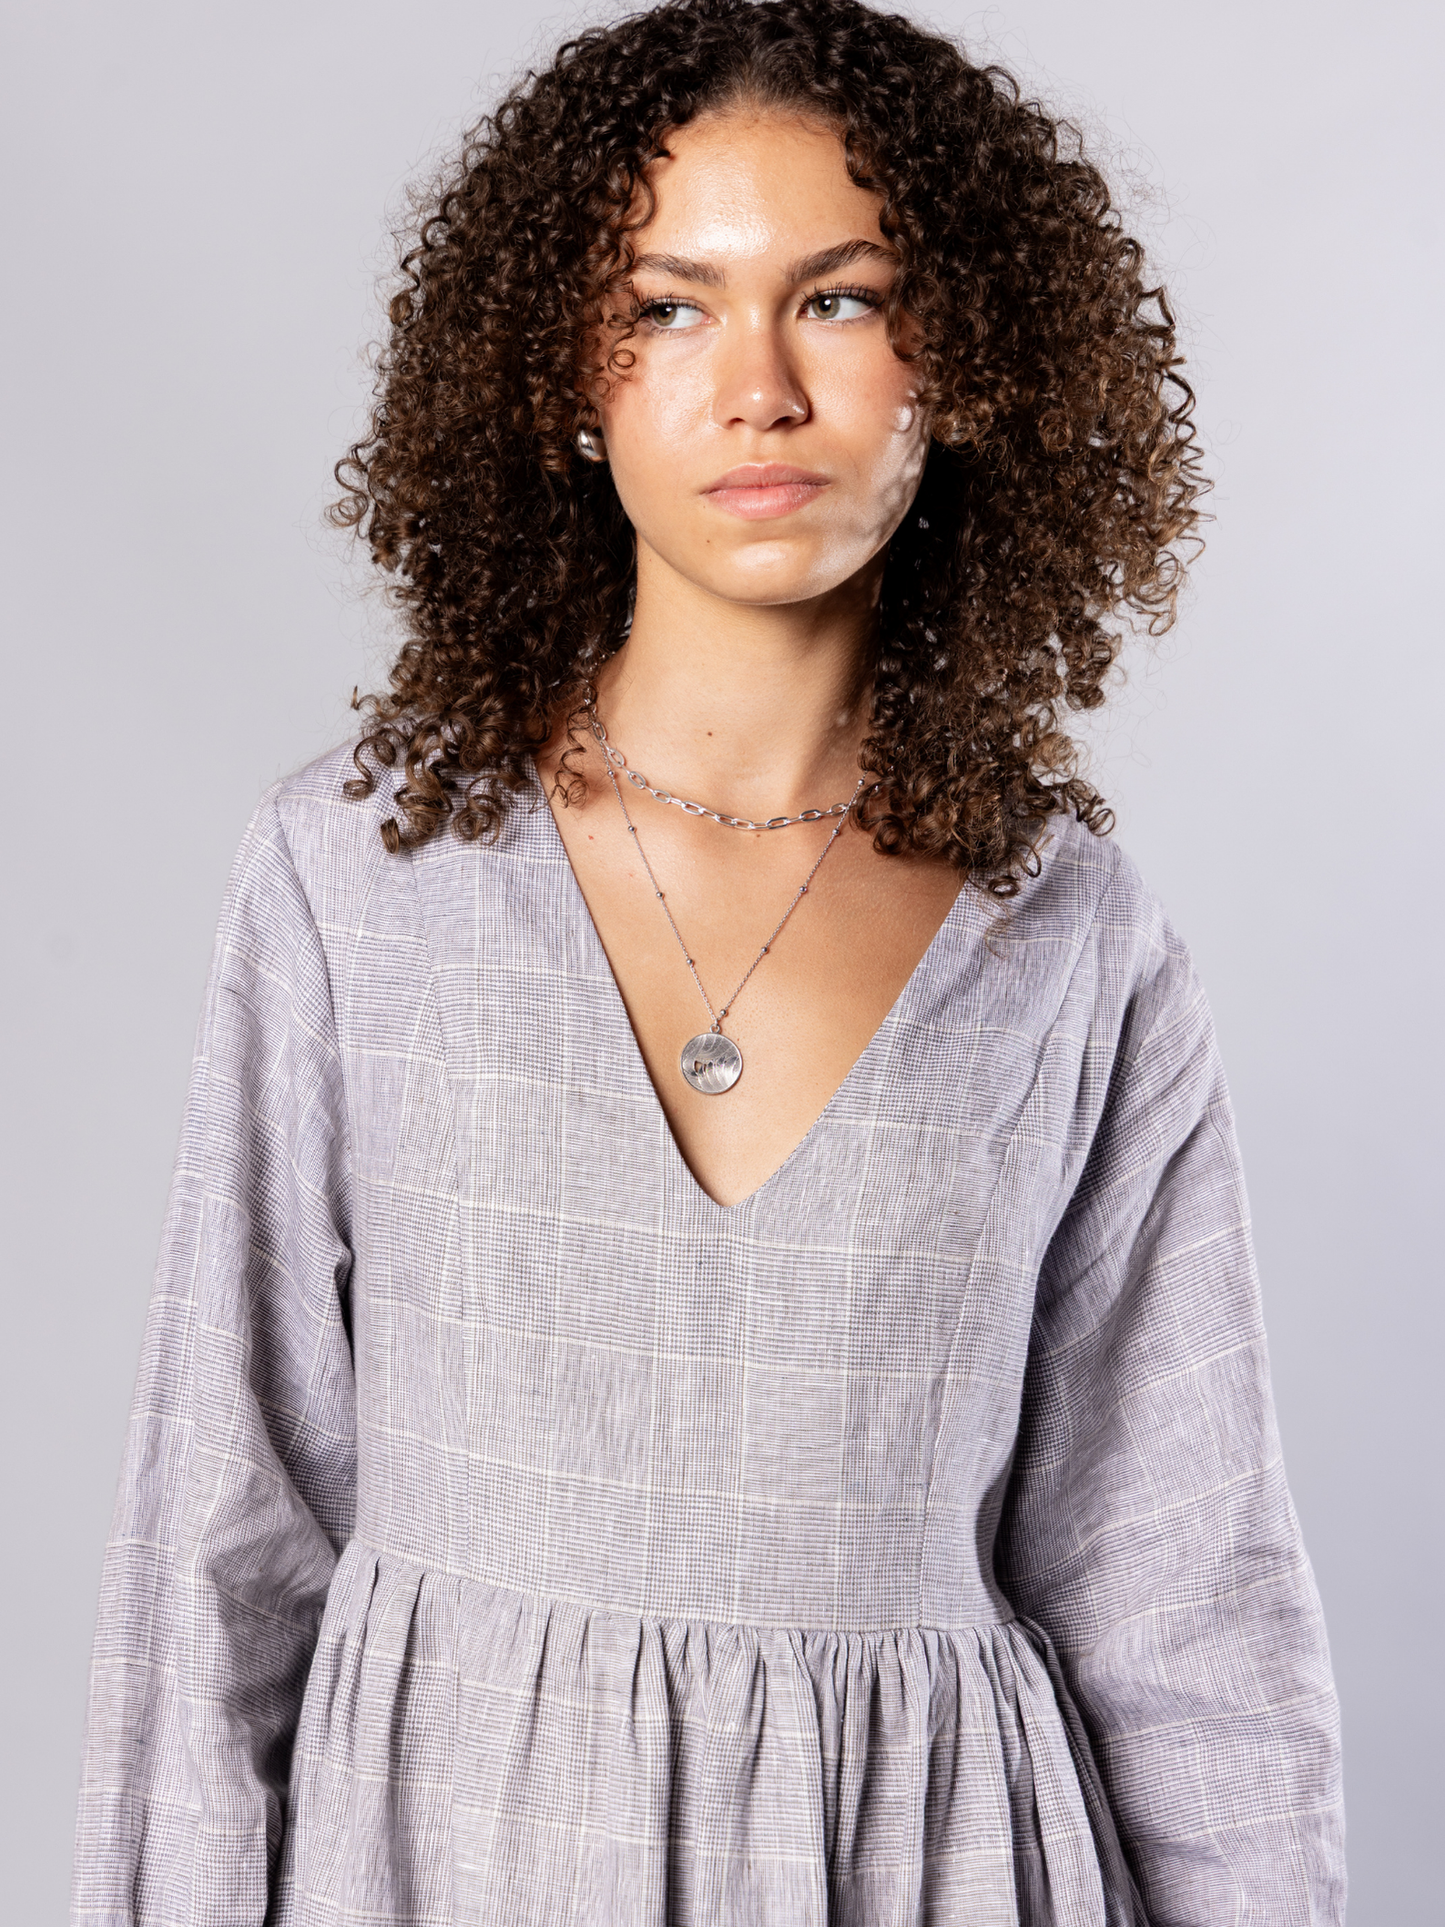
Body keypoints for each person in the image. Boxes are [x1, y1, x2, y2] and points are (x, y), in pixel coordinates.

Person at [71, 1, 1345, 1921]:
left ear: (964, 359)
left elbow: (1190, 1611)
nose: (759, 388)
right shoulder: (356, 878)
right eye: (668, 307)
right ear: (560, 377)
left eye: (840, 299)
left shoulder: (1077, 945)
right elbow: (217, 1549)